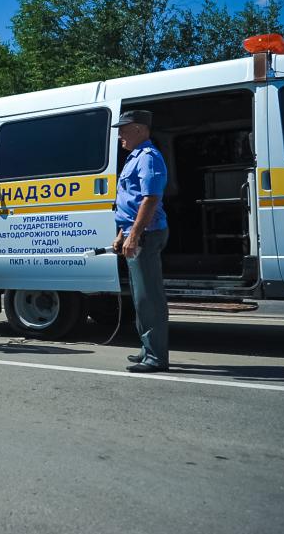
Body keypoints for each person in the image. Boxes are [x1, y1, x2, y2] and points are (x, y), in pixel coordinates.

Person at [111, 110, 170, 373]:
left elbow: (150, 199)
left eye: (124, 129)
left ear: (139, 129)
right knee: (140, 296)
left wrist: (134, 235)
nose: (120, 134)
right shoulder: (133, 158)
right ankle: (147, 348)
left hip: (147, 234)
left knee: (150, 298)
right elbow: (130, 202)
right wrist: (122, 233)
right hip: (136, 232)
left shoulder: (149, 157)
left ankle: (156, 357)